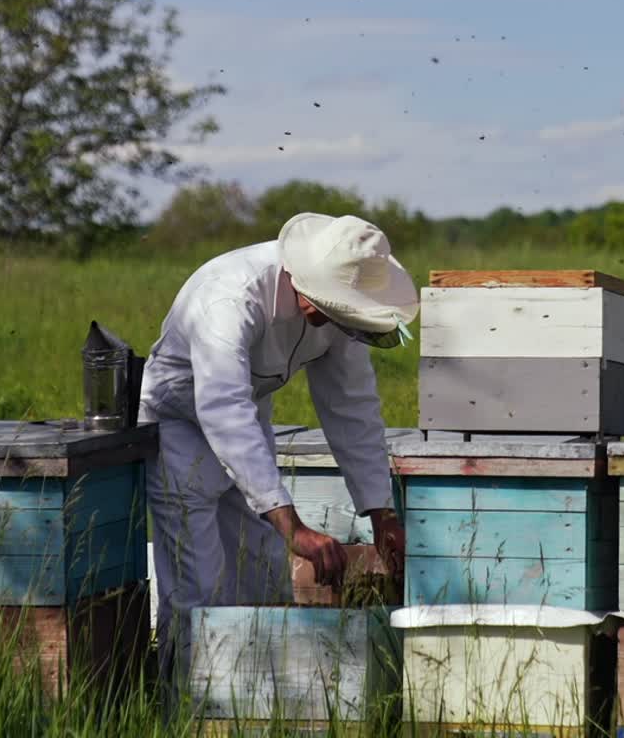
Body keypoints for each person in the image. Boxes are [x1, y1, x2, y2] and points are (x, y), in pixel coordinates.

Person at [139, 211, 418, 694]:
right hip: (179, 427)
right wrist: (294, 526)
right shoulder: (229, 298)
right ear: (297, 273)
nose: (324, 317)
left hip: (250, 421)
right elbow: (221, 405)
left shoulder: (340, 314)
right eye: (323, 303)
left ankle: (258, 701)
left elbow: (351, 407)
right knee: (197, 586)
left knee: (263, 575)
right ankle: (182, 702)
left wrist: (381, 512)